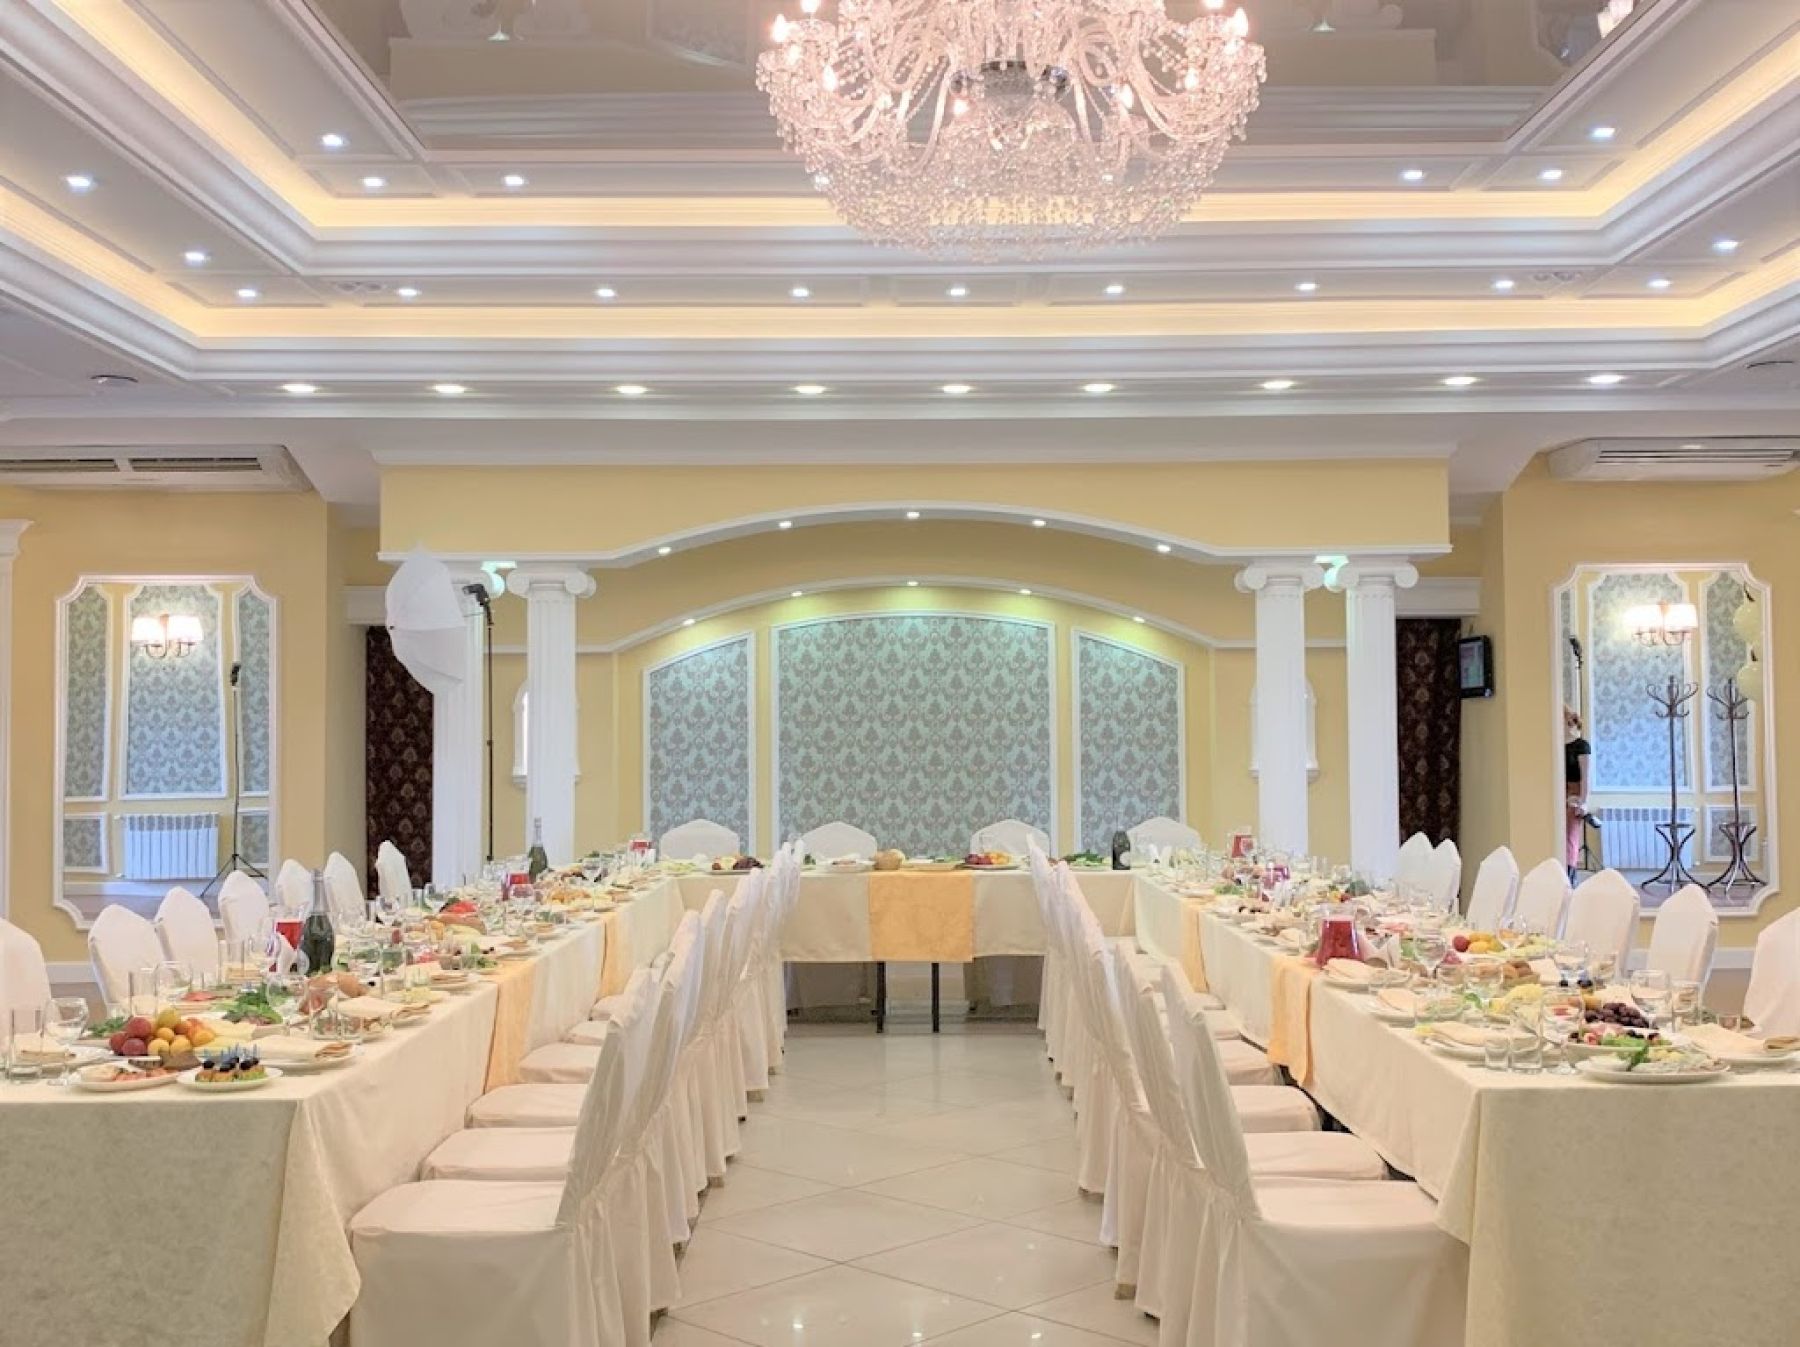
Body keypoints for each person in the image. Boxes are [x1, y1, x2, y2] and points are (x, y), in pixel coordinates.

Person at [1564, 705, 1592, 881]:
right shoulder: (1554, 746)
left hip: (1574, 792)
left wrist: (1583, 801)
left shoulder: (1581, 746)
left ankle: (1569, 875)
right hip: (1557, 792)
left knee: (1570, 835)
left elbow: (1585, 777)